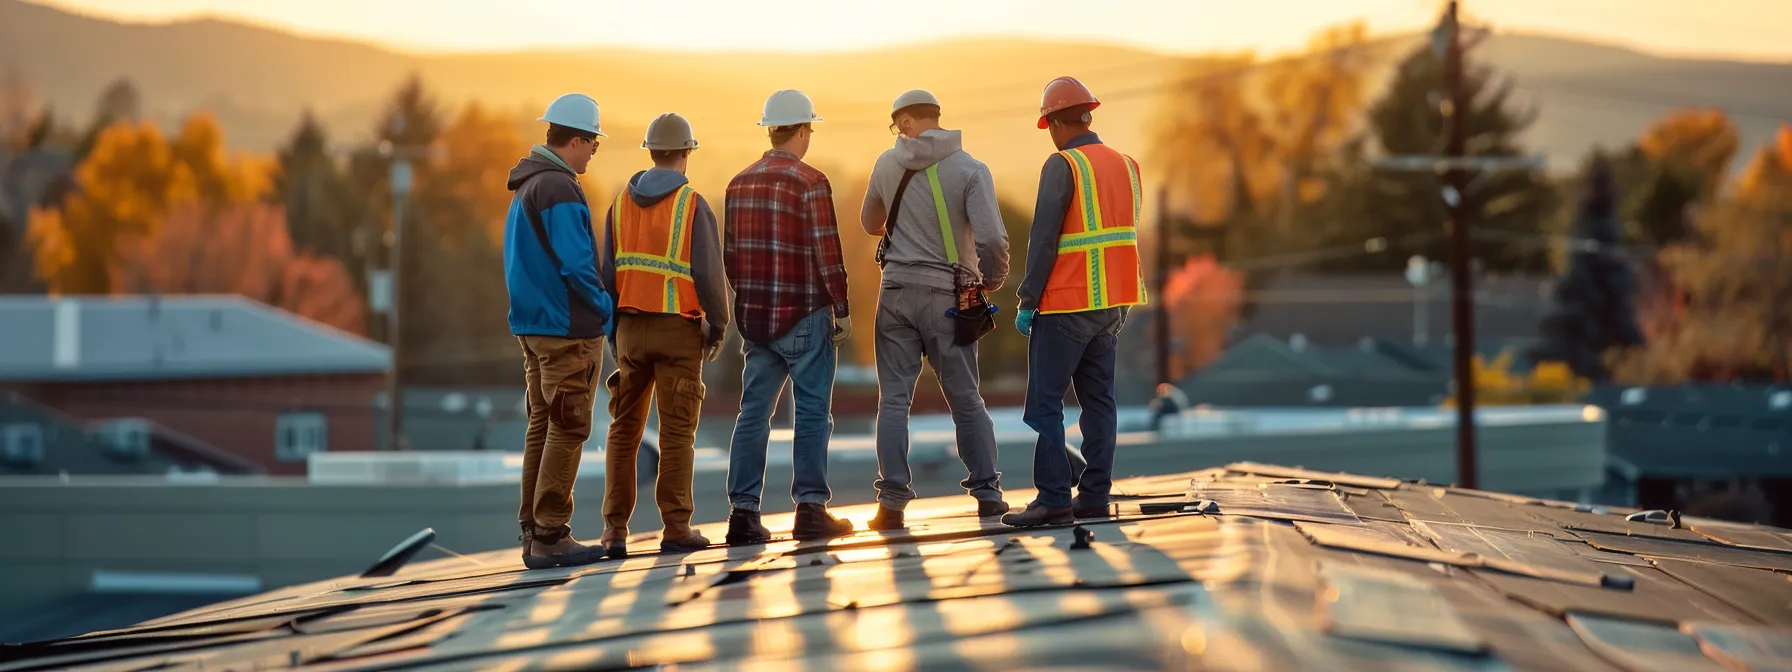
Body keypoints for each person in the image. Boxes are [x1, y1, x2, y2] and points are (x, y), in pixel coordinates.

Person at [858, 89, 1010, 530]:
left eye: (896, 125)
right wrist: (992, 279)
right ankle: (987, 493)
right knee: (965, 398)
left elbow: (870, 224)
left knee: (893, 401)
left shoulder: (887, 164)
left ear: (906, 121)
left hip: (895, 294)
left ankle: (891, 504)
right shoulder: (969, 169)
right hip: (948, 299)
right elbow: (993, 240)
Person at [1002, 77, 1146, 528]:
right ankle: (1094, 495)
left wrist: (1027, 299)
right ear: (1088, 115)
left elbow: (1043, 239)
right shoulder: (1127, 164)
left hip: (1066, 304)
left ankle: (1053, 498)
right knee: (1098, 401)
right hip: (1114, 304)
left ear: (1055, 123)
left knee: (1043, 405)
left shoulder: (1063, 165)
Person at [721, 89, 856, 545]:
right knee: (813, 413)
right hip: (804, 316)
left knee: (752, 414)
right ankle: (811, 510)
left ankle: (742, 515)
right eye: (809, 129)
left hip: (756, 321)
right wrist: (841, 308)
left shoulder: (737, 184)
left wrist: (749, 301)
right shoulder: (811, 181)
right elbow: (827, 252)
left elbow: (732, 258)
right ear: (801, 131)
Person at [594, 113, 730, 557]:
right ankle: (676, 527)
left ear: (650, 152)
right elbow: (710, 275)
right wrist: (719, 324)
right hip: (678, 328)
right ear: (686, 153)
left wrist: (615, 332)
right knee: (676, 433)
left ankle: (614, 531)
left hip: (629, 330)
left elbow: (606, 275)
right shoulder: (692, 204)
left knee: (623, 430)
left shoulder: (620, 204)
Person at [503, 93, 615, 567]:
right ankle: (552, 535)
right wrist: (606, 308)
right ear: (575, 140)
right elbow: (577, 265)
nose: (594, 152)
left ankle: (533, 531)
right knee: (568, 429)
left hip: (533, 328)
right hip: (566, 329)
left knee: (542, 426)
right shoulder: (559, 189)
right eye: (592, 143)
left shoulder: (527, 186)